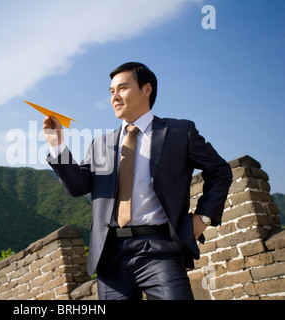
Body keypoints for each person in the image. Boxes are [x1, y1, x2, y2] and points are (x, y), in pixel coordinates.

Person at [43, 62, 232, 300]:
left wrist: (204, 216)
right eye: (111, 91)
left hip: (159, 249)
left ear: (147, 89)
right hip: (110, 256)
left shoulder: (178, 132)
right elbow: (77, 187)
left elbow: (220, 171)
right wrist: (57, 144)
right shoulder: (101, 144)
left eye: (122, 88)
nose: (115, 96)